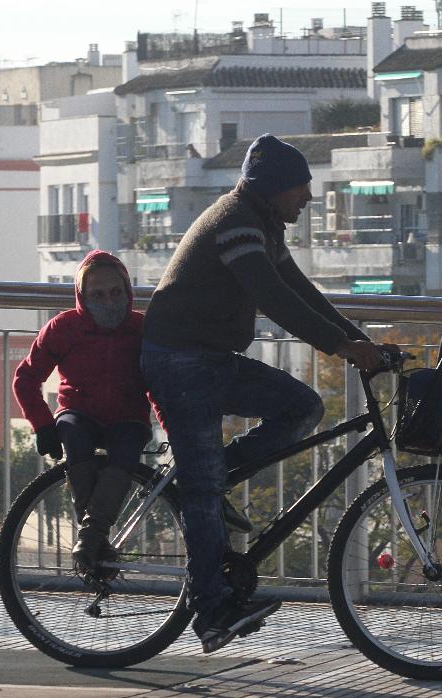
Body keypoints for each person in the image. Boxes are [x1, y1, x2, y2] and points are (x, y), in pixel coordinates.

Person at [140, 133, 391, 654]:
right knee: (204, 485)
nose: (309, 197)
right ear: (275, 187)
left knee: (303, 407)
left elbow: (302, 291)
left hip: (210, 358)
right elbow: (271, 296)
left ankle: (208, 480)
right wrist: (341, 346)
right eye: (302, 187)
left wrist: (358, 340)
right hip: (180, 359)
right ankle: (212, 612)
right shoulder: (235, 222)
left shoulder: (263, 226)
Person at [12, 250, 154, 575]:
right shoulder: (63, 327)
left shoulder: (142, 328)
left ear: (128, 291)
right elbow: (26, 378)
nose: (108, 300)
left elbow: (159, 384)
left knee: (126, 451)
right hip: (78, 411)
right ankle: (95, 542)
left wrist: (175, 427)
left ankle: (89, 540)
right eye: (98, 294)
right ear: (82, 296)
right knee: (75, 439)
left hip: (128, 416)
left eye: (116, 292)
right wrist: (42, 426)